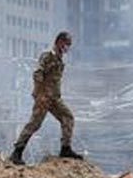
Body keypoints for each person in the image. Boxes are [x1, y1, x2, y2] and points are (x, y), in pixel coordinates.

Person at [9, 31, 83, 164]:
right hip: (44, 97)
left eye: (69, 45)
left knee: (67, 117)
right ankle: (17, 153)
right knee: (34, 124)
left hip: (54, 98)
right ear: (59, 41)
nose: (67, 47)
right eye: (66, 44)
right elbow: (38, 73)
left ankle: (65, 149)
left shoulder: (59, 58)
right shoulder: (48, 55)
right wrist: (39, 93)